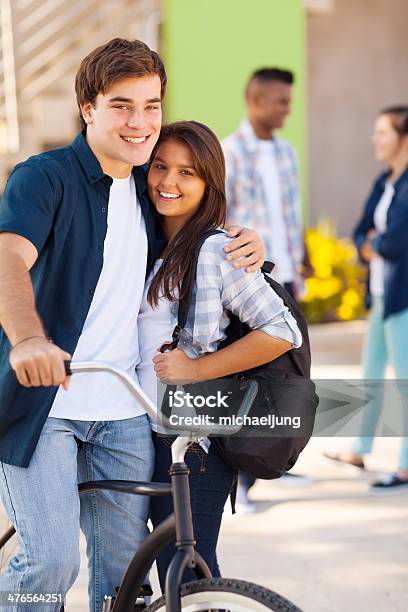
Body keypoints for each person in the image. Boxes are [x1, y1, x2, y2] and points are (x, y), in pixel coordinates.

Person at [0, 39, 264, 611]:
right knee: (49, 561)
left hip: (123, 415)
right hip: (46, 407)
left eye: (151, 105)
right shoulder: (43, 179)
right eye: (122, 105)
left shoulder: (147, 189)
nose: (140, 122)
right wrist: (27, 339)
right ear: (88, 109)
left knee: (123, 578)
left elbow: (196, 227)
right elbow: (8, 259)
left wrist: (247, 239)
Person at [135, 120, 302, 589]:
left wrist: (196, 369)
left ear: (209, 181)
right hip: (149, 434)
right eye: (161, 167)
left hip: (194, 443)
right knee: (166, 574)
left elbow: (282, 330)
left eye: (188, 173)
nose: (169, 182)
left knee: (190, 575)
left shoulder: (214, 250)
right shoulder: (156, 246)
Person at [222, 68, 313, 509]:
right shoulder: (228, 152)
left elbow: (290, 213)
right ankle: (242, 478)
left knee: (290, 375)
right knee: (252, 379)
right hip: (251, 283)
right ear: (255, 99)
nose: (287, 109)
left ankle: (278, 459)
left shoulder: (287, 152)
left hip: (287, 277)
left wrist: (304, 259)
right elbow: (219, 219)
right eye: (281, 101)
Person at [324, 106, 408, 493]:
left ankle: (406, 466)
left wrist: (378, 243)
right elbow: (362, 234)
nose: (375, 140)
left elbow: (394, 241)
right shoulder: (383, 182)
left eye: (383, 133)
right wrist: (371, 243)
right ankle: (360, 448)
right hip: (379, 295)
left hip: (402, 297)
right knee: (372, 375)